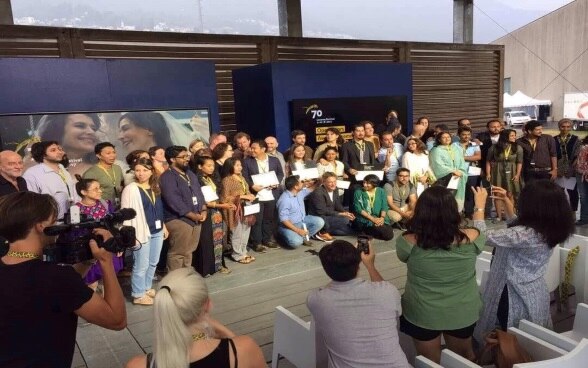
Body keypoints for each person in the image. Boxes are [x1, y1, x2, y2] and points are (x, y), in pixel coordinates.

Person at [0, 192, 126, 367]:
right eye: (55, 220)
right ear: (41, 226)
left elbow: (61, 290)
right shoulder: (55, 278)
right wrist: (106, 261)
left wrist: (89, 260)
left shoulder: (51, 278)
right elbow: (117, 320)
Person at [475, 181, 575, 344]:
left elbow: (481, 235)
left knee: (507, 340)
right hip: (534, 291)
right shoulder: (550, 228)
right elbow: (520, 233)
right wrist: (508, 206)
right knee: (531, 340)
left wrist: (479, 207)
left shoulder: (523, 235)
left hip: (511, 294)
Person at [397, 186, 487, 363]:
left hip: (422, 312)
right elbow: (480, 230)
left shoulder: (406, 241)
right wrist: (479, 208)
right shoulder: (473, 237)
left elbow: (404, 257)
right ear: (454, 210)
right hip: (461, 310)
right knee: (465, 359)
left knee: (429, 362)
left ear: (421, 211)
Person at [125, 268, 265, 368]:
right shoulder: (243, 350)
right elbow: (238, 350)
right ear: (207, 305)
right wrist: (225, 333)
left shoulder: (137, 365)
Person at [307, 240, 409, 368]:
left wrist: (341, 266)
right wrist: (370, 265)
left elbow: (329, 286)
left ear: (326, 269)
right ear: (358, 265)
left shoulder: (316, 299)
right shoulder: (387, 291)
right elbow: (383, 287)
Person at [121, 158, 169, 305]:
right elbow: (125, 214)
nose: (141, 173)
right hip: (141, 231)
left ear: (151, 171)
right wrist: (130, 235)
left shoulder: (155, 187)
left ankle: (146, 287)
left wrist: (164, 226)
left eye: (145, 170)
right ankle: (138, 294)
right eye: (138, 170)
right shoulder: (131, 189)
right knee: (141, 264)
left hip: (157, 229)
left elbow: (159, 209)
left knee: (153, 262)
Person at [160, 146, 207, 271]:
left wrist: (203, 209)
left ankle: (186, 277)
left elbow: (199, 193)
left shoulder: (190, 173)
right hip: (179, 219)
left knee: (189, 251)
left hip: (196, 217)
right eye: (183, 157)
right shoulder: (167, 177)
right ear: (172, 159)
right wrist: (191, 214)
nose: (187, 159)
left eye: (187, 156)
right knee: (178, 253)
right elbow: (173, 200)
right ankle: (175, 281)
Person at [74, 176, 123, 291]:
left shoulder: (105, 204)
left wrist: (118, 244)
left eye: (100, 188)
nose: (100, 191)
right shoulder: (76, 209)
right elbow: (75, 233)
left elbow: (113, 226)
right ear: (83, 192)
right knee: (91, 284)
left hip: (108, 248)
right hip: (90, 253)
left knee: (109, 282)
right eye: (96, 189)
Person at [242, 140, 284, 251]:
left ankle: (267, 239)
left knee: (269, 219)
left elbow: (280, 173)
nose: (252, 150)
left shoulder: (274, 160)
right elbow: (244, 177)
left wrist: (276, 182)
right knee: (257, 219)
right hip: (256, 195)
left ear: (263, 149)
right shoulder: (247, 162)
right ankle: (257, 242)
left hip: (271, 193)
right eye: (251, 148)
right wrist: (252, 185)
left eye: (254, 148)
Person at [194, 156, 232, 275]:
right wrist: (222, 206)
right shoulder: (197, 180)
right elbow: (202, 200)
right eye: (208, 166)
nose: (212, 168)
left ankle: (219, 265)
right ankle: (207, 268)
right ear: (200, 166)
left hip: (216, 212)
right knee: (206, 241)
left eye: (213, 166)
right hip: (206, 212)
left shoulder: (210, 178)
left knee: (218, 239)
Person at [23, 141, 79, 220]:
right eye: (53, 150)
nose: (59, 152)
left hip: (71, 218)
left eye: (59, 149)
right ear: (43, 155)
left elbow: (73, 193)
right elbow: (31, 201)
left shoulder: (63, 170)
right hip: (48, 221)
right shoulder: (32, 173)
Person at [35, 113, 102, 177]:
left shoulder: (103, 167)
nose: (91, 132)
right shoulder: (36, 170)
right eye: (80, 126)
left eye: (94, 129)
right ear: (58, 130)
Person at [220, 157, 257, 264]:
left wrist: (249, 195)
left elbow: (247, 190)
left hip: (246, 207)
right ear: (230, 166)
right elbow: (224, 198)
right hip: (235, 210)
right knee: (237, 232)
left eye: (240, 165)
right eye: (237, 165)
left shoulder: (241, 177)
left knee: (246, 230)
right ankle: (237, 254)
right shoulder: (227, 180)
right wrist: (242, 197)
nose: (239, 167)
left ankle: (243, 252)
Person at [276, 175, 324, 247]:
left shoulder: (299, 192)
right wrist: (298, 230)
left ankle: (303, 237)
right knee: (296, 243)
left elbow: (311, 189)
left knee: (320, 222)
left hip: (302, 220)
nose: (303, 183)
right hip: (289, 226)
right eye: (301, 182)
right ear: (296, 186)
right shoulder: (285, 200)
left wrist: (319, 182)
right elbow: (284, 219)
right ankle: (283, 235)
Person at [486, 129, 523, 219]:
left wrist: (517, 174)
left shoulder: (518, 147)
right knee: (498, 194)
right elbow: (488, 161)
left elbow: (519, 162)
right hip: (497, 172)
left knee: (510, 193)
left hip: (512, 171)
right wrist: (488, 173)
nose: (515, 137)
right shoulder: (494, 147)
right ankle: (499, 216)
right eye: (512, 135)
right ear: (505, 137)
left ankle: (511, 215)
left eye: (515, 135)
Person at [307, 172, 355, 236]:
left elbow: (337, 205)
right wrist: (341, 214)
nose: (333, 184)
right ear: (324, 182)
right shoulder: (318, 193)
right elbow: (321, 211)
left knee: (348, 230)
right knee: (345, 220)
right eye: (330, 182)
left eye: (334, 181)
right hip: (320, 217)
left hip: (330, 215)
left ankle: (324, 231)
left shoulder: (335, 189)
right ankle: (322, 231)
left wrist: (345, 212)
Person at [430, 132, 467, 212]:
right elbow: (438, 165)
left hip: (458, 176)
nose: (447, 139)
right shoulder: (436, 150)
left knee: (454, 198)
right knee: (445, 198)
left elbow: (462, 162)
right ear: (439, 139)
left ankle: (456, 214)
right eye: (444, 137)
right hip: (444, 178)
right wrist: (453, 171)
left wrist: (460, 171)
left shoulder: (456, 149)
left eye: (448, 137)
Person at [339, 123, 376, 204]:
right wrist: (349, 169)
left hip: (369, 177)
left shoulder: (370, 144)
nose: (361, 133)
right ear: (353, 132)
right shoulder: (346, 145)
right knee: (357, 200)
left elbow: (373, 160)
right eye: (358, 131)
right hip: (354, 179)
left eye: (362, 130)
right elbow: (344, 161)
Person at [352, 174, 395, 240]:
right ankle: (365, 230)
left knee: (389, 235)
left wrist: (382, 218)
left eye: (368, 183)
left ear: (374, 184)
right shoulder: (358, 192)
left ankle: (372, 231)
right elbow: (358, 209)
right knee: (384, 233)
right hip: (366, 219)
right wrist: (373, 219)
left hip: (378, 217)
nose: (365, 185)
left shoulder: (381, 191)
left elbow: (384, 205)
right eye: (364, 182)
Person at [83, 142, 124, 207]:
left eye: (114, 152)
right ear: (98, 156)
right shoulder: (91, 173)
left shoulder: (117, 168)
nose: (112, 155)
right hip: (100, 208)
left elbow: (121, 183)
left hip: (118, 206)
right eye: (108, 153)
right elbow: (87, 194)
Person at [453, 126, 482, 218]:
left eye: (468, 134)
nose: (466, 137)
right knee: (457, 192)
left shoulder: (474, 144)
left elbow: (478, 157)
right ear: (459, 135)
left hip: (472, 172)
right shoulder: (454, 145)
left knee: (470, 192)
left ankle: (469, 213)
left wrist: (461, 158)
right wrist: (469, 158)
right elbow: (452, 158)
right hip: (458, 172)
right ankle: (457, 212)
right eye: (464, 135)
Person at [554, 118, 581, 212]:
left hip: (571, 169)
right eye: (563, 126)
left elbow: (578, 155)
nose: (565, 129)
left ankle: (573, 212)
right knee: (557, 193)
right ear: (559, 127)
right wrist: (556, 170)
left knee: (573, 192)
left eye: (568, 127)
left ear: (571, 128)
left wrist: (571, 169)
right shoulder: (553, 139)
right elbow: (552, 155)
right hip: (557, 169)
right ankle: (559, 212)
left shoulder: (576, 139)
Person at [576, 136, 588, 226]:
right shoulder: (584, 147)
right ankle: (584, 219)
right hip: (582, 174)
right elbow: (580, 163)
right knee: (583, 197)